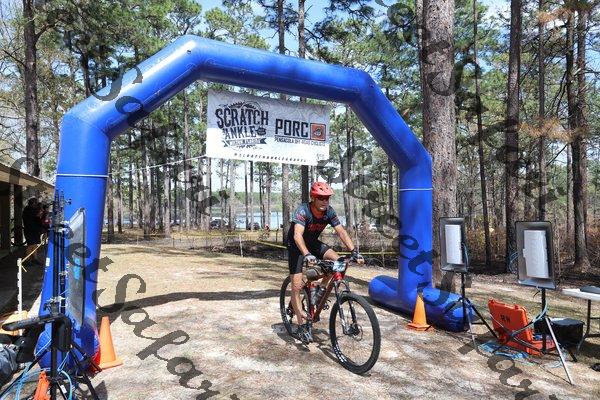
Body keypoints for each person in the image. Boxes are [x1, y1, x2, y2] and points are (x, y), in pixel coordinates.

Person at [287, 181, 364, 342]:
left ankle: (320, 289)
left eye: (327, 198)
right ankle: (301, 326)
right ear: (313, 198)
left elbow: (341, 232)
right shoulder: (303, 210)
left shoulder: (329, 212)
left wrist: (354, 252)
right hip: (296, 245)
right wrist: (307, 254)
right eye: (321, 198)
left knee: (338, 262)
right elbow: (297, 235)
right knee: (296, 285)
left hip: (313, 243)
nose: (325, 201)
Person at [22, 197, 44, 265]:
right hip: (30, 230)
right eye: (36, 203)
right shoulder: (28, 210)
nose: (37, 204)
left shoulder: (29, 210)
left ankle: (35, 259)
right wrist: (40, 212)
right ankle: (27, 260)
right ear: (33, 203)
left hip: (34, 230)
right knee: (30, 245)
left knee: (34, 245)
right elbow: (36, 217)